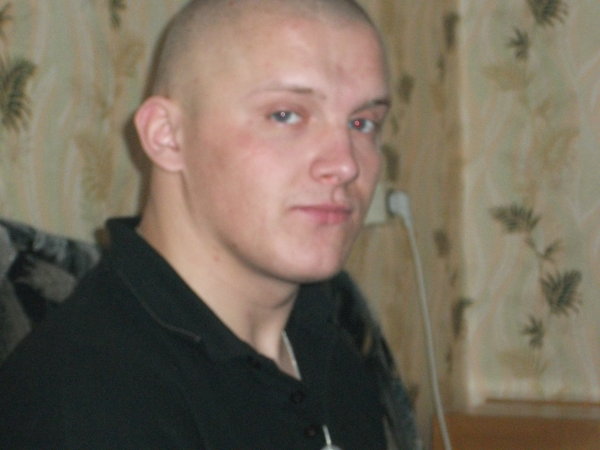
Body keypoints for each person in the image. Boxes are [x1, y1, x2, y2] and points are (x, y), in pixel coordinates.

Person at [0, 0, 417, 448]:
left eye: (362, 122)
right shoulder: (90, 403)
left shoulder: (332, 340)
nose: (346, 164)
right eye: (285, 115)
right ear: (167, 135)